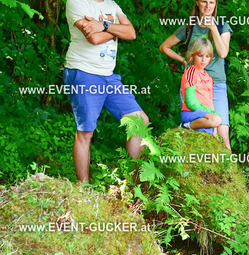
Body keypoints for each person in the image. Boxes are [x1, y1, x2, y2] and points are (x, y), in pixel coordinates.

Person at [63, 0, 149, 183]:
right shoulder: (76, 2)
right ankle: (84, 189)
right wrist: (117, 30)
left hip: (108, 76)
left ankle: (135, 183)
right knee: (86, 132)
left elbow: (131, 33)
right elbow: (93, 39)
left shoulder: (112, 5)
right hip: (84, 72)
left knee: (139, 120)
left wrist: (104, 26)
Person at [159, 0, 232, 150]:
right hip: (194, 83)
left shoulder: (222, 26)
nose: (207, 6)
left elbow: (223, 53)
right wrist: (184, 61)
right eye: (204, 1)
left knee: (223, 137)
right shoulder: (190, 27)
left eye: (211, 2)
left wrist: (213, 28)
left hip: (216, 84)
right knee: (197, 136)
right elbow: (164, 46)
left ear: (215, 5)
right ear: (197, 3)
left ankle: (227, 165)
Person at [180, 38, 222, 135]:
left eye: (207, 56)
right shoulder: (191, 72)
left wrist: (215, 130)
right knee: (216, 119)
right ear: (193, 55)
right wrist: (211, 113)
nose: (203, 60)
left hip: (205, 116)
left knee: (213, 125)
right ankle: (186, 126)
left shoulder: (209, 78)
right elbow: (190, 102)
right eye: (200, 56)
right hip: (190, 112)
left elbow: (210, 103)